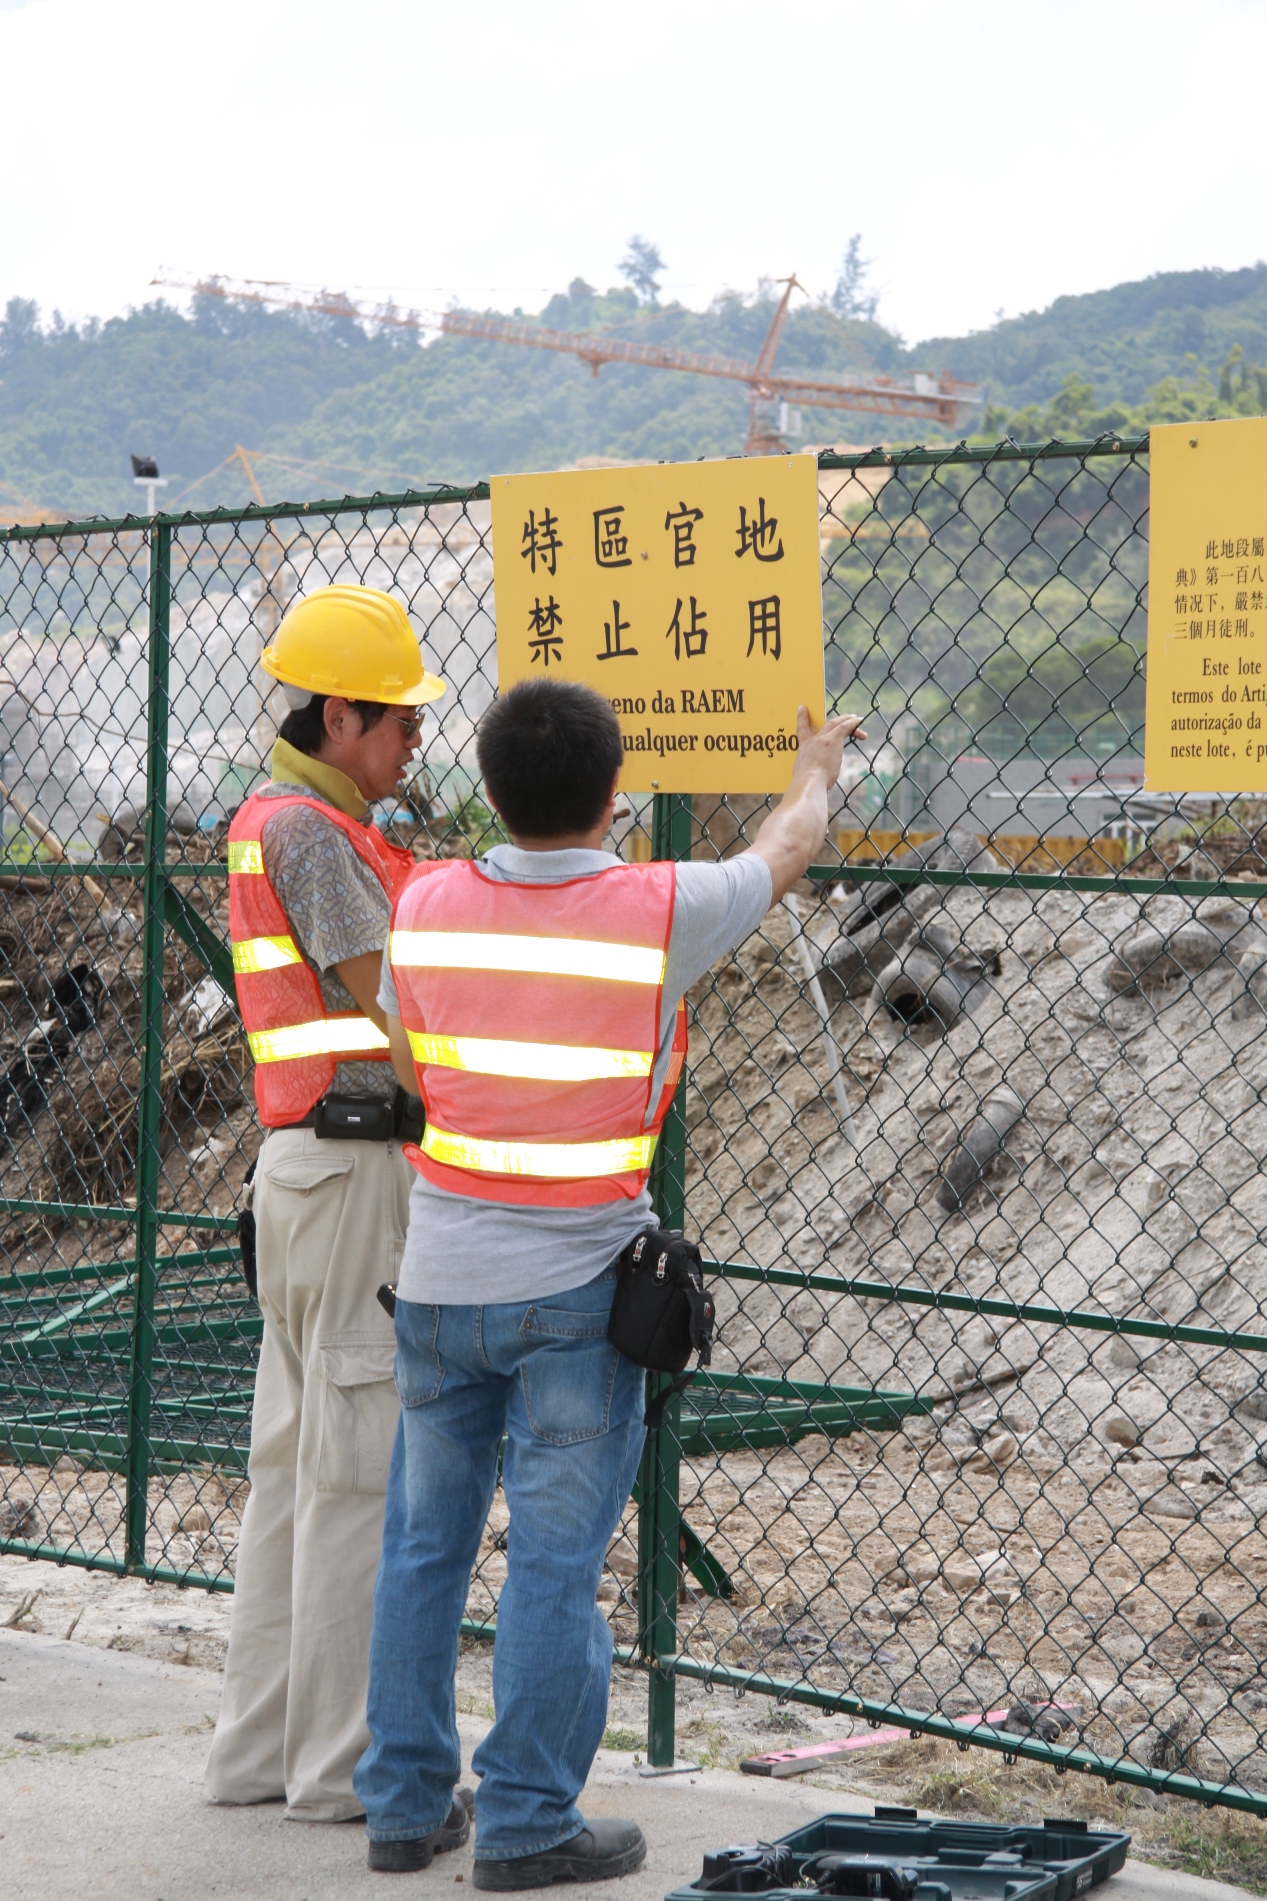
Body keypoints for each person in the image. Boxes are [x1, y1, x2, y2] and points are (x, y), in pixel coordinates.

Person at [355, 676, 864, 1882]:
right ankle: (528, 1819)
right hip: (581, 1281)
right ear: (614, 789)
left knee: (421, 1546)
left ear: (489, 789)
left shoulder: (423, 901)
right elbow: (786, 847)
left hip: (438, 1274)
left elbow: (410, 1053)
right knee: (551, 1562)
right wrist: (817, 765)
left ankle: (404, 1806)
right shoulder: (658, 906)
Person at [205, 584, 448, 1826]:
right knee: (353, 1476)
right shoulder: (312, 834)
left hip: (302, 1170)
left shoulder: (283, 819)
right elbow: (395, 1010)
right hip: (352, 1172)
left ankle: (257, 1752)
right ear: (338, 715)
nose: (415, 740)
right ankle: (342, 1772)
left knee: (294, 1467)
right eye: (400, 720)